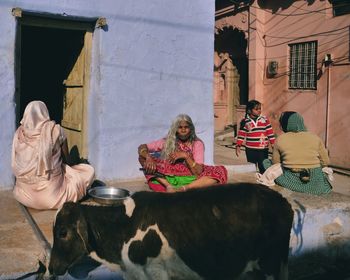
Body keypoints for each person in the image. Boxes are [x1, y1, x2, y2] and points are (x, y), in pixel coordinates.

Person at [11, 101, 95, 210]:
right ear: (45, 113)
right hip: (52, 197)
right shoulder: (55, 130)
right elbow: (66, 159)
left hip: (23, 195)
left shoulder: (19, 133)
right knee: (88, 171)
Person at [138, 114, 228, 192]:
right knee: (142, 158)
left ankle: (185, 188)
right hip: (168, 174)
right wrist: (148, 157)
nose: (183, 130)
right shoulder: (167, 141)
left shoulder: (197, 143)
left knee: (220, 171)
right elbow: (142, 147)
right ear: (175, 129)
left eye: (186, 127)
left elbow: (199, 171)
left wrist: (186, 156)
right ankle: (168, 186)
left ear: (191, 129)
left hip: (190, 176)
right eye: (180, 127)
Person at [261, 111, 332, 195]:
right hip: (316, 182)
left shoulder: (280, 139)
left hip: (291, 180)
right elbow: (326, 162)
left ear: (284, 125)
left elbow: (275, 163)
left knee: (266, 162)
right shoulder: (315, 137)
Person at [236, 100, 275, 173]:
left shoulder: (264, 120)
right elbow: (241, 134)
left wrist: (273, 144)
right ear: (249, 111)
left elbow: (270, 133)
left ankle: (262, 182)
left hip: (263, 149)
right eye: (256, 109)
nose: (259, 111)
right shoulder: (245, 121)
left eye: (260, 109)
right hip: (250, 149)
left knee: (263, 168)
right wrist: (238, 145)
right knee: (252, 168)